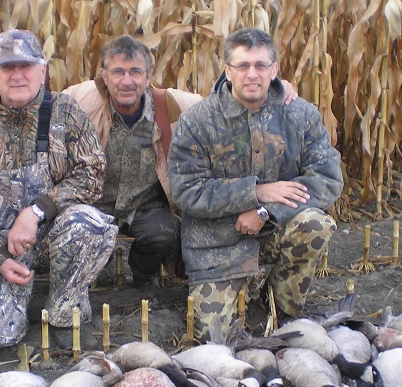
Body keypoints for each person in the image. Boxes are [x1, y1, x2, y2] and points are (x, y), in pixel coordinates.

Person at [63, 35, 301, 288]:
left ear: (148, 76)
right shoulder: (78, 101)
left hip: (144, 205)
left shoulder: (173, 105)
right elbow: (45, 105)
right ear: (103, 74)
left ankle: (144, 276)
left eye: (135, 72)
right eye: (118, 72)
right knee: (80, 231)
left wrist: (273, 88)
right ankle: (91, 272)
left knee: (164, 234)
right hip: (96, 202)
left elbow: (222, 102)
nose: (127, 81)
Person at [0, 29, 117, 352]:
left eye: (25, 66)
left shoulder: (65, 112)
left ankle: (64, 308)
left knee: (89, 224)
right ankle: (9, 302)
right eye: (7, 67)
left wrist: (37, 210)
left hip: (54, 236)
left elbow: (92, 175)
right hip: (0, 249)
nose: (17, 75)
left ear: (42, 70)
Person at [168, 27, 343, 342]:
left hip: (274, 229)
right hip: (217, 245)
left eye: (261, 65)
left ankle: (280, 302)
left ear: (274, 70)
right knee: (216, 340)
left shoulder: (300, 115)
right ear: (227, 71)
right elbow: (186, 191)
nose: (252, 74)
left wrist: (265, 210)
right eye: (243, 66)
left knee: (315, 224)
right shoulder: (197, 121)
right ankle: (238, 288)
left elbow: (327, 178)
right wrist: (255, 191)